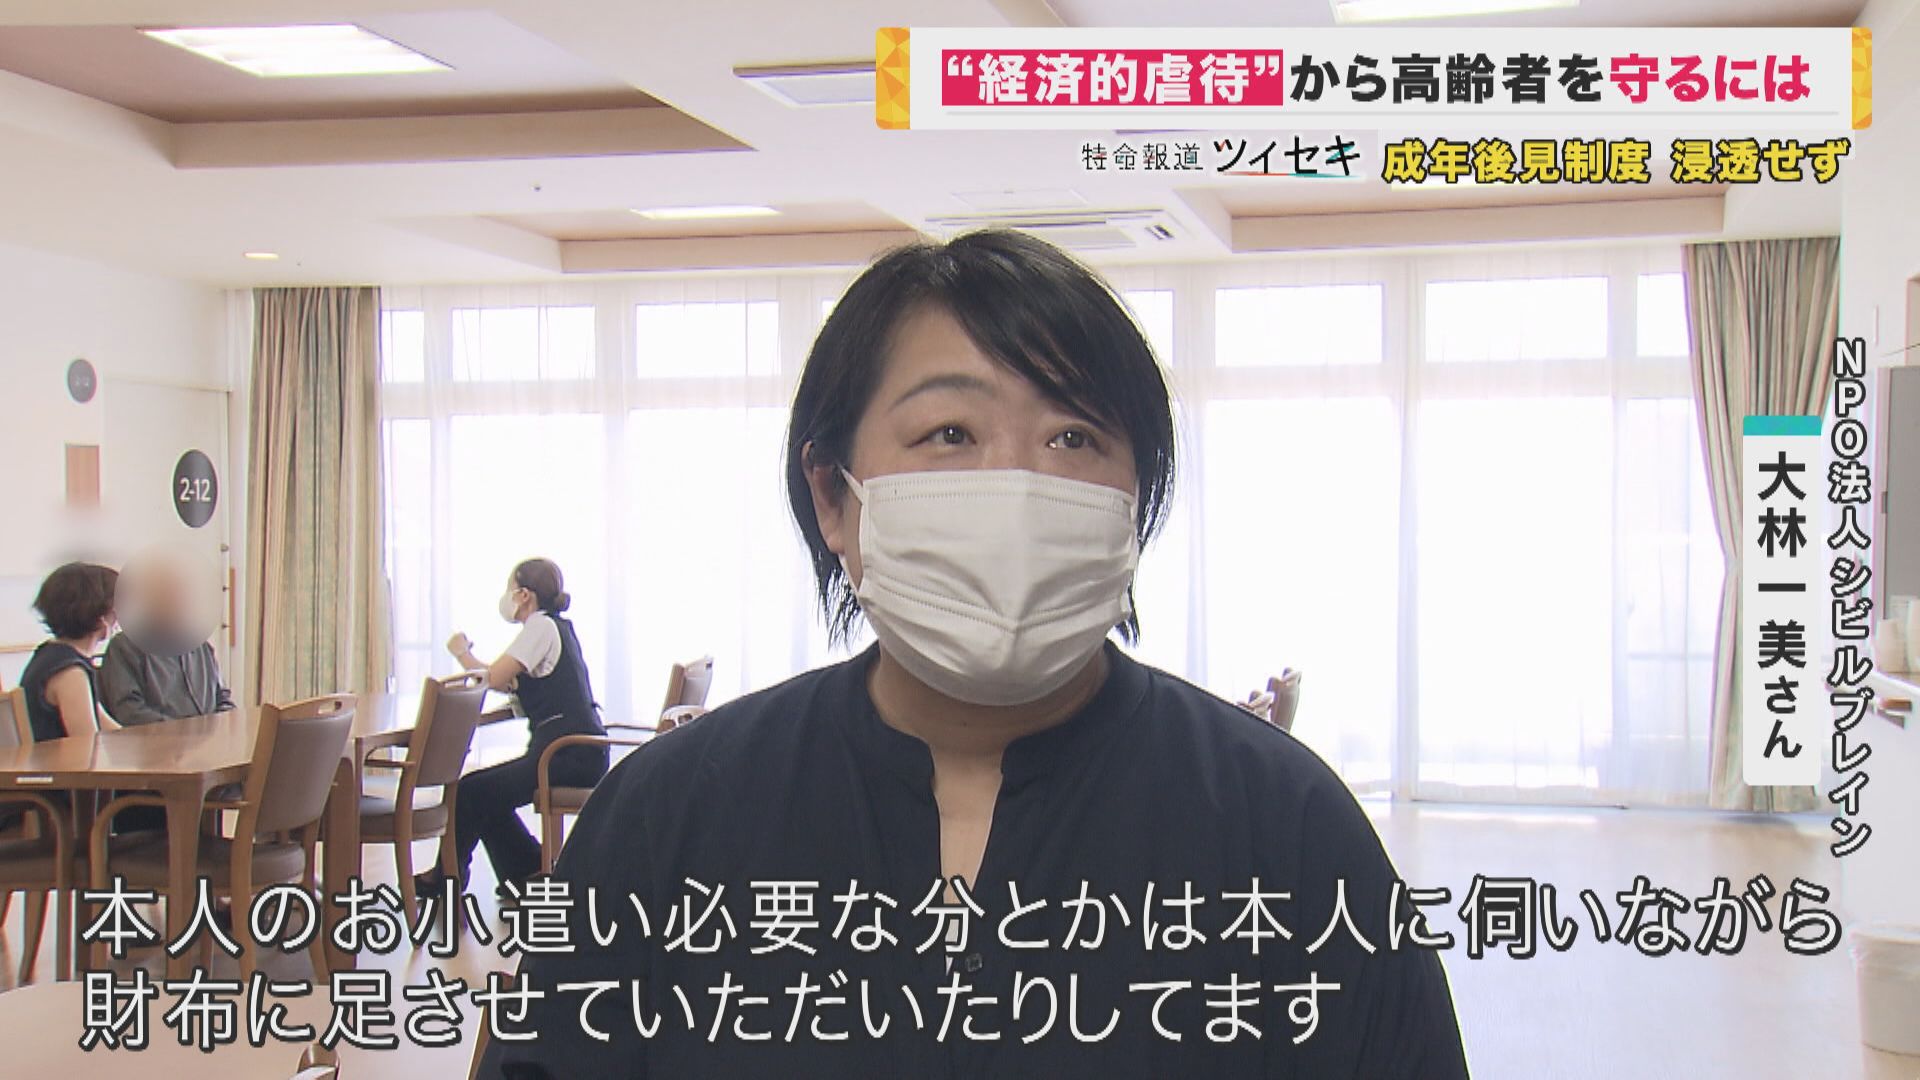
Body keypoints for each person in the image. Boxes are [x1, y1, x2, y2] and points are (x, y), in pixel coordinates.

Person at [478, 231, 1471, 1078]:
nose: (1019, 485)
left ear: (1136, 499)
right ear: (833, 497)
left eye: (1074, 437)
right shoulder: (670, 818)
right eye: (949, 432)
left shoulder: (1283, 826)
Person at [426, 557, 608, 901]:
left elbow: (492, 677)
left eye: (510, 589)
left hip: (565, 754)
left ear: (524, 596)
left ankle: (445, 878)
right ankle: (525, 870)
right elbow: (507, 680)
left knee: (470, 791)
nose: (507, 597)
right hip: (578, 751)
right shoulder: (556, 627)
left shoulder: (539, 627)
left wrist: (462, 653)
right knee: (486, 791)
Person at [100, 547, 234, 725]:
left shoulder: (201, 646)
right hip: (155, 741)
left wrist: (222, 726)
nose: (183, 599)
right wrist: (187, 732)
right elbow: (129, 711)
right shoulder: (125, 647)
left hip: (211, 739)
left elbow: (223, 698)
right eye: (172, 591)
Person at [18, 561, 120, 742]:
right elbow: (89, 745)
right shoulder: (70, 673)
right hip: (60, 761)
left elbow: (104, 723)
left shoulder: (52, 655)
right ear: (101, 617)